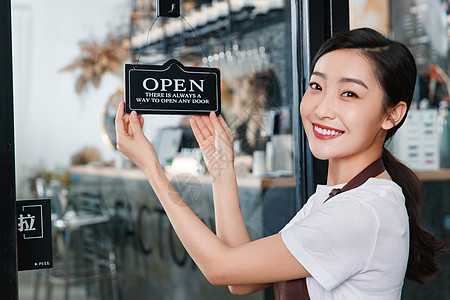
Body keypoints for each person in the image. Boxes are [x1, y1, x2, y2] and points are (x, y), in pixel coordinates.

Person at [115, 28, 445, 299]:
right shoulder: (334, 198)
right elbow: (240, 279)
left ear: (392, 114)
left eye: (349, 94)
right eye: (317, 86)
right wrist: (220, 165)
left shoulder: (361, 211)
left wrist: (152, 169)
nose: (321, 109)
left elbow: (220, 268)